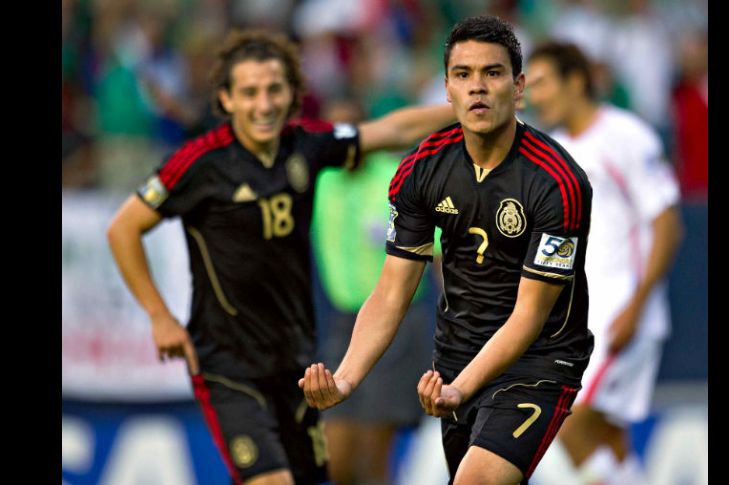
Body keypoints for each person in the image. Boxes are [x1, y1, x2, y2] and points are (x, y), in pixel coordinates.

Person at [106, 29, 455, 485]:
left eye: (274, 90)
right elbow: (123, 228)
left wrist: (465, 109)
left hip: (298, 360)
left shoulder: (305, 145)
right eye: (249, 92)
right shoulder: (200, 163)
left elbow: (389, 130)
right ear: (227, 100)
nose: (263, 104)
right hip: (229, 364)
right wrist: (159, 316)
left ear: (292, 93)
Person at [299, 16, 594, 485]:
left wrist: (462, 387)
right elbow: (392, 291)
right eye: (463, 75)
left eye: (492, 73)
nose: (477, 87)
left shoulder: (558, 181)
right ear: (447, 89)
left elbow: (529, 315)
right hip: (455, 359)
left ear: (518, 88)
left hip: (537, 361)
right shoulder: (420, 171)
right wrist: (346, 380)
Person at [525, 42, 683, 485]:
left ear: (575, 81)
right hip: (585, 318)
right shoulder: (557, 152)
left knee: (561, 415)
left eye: (542, 83)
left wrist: (636, 306)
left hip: (622, 313)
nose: (535, 96)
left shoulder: (626, 136)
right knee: (608, 438)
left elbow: (668, 225)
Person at [311, 99, 436, 485]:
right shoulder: (319, 182)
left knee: (371, 457)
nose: (343, 143)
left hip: (395, 325)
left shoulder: (397, 179)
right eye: (334, 135)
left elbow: (439, 254)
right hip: (342, 324)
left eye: (351, 133)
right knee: (337, 461)